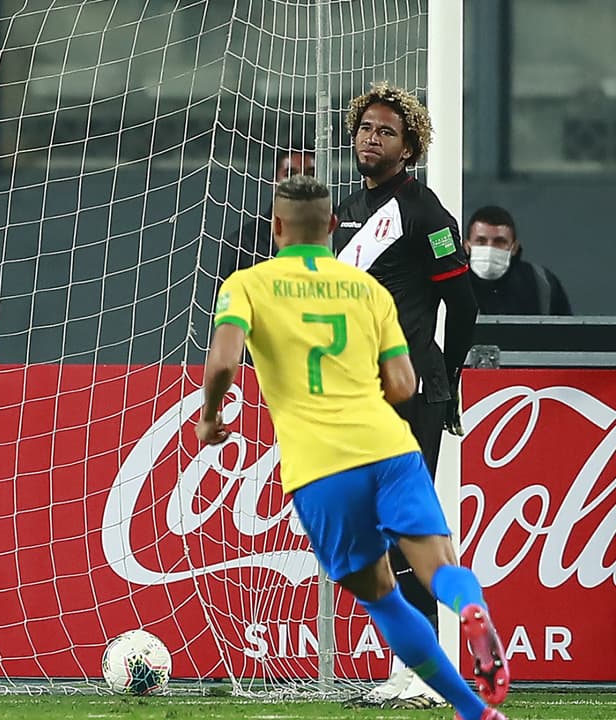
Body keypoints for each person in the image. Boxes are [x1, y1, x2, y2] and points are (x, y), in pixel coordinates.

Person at [199, 174, 509, 720]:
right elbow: (404, 384)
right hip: (390, 447)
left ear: (276, 227)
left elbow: (224, 361)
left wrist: (209, 417)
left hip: (322, 467)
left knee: (383, 596)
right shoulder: (368, 290)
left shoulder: (247, 285)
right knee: (438, 567)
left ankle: (474, 710)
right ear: (332, 227)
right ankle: (470, 609)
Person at [330, 82, 480, 709]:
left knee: (408, 525)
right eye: (366, 127)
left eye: (386, 131)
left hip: (411, 389)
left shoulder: (425, 214)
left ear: (409, 148)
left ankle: (430, 673)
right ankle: (407, 668)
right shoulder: (346, 210)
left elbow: (463, 304)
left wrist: (447, 375)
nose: (372, 137)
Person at [464, 205, 572, 315]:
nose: (490, 248)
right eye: (481, 241)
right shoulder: (456, 284)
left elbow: (564, 324)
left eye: (499, 242)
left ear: (514, 247)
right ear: (467, 246)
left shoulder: (541, 283)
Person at [225, 147, 316, 272]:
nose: (301, 183)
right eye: (290, 174)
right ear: (274, 183)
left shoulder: (338, 232)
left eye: (310, 175)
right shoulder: (244, 243)